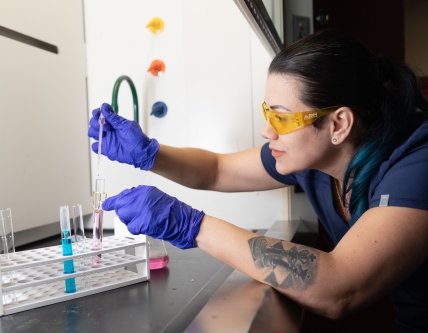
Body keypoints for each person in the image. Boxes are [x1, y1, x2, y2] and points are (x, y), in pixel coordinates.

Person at [88, 30, 428, 332]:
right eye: (268, 113)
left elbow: (337, 287)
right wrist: (150, 154)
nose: (267, 131)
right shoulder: (311, 156)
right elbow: (217, 170)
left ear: (338, 124)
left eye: (281, 117)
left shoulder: (417, 164)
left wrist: (192, 226)